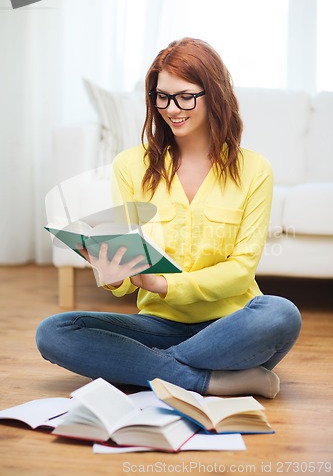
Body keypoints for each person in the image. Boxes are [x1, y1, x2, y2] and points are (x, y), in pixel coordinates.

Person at [36, 38, 302, 399]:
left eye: (185, 96)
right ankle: (205, 381)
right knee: (54, 331)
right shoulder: (131, 166)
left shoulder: (255, 170)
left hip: (232, 327)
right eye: (161, 96)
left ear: (216, 94)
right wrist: (114, 276)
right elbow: (131, 278)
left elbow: (241, 270)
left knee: (280, 313)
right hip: (157, 324)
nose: (171, 108)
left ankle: (145, 368)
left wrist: (161, 284)